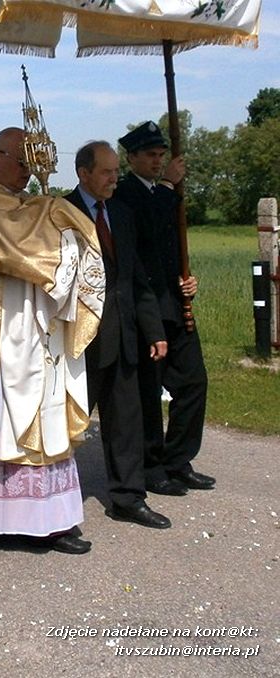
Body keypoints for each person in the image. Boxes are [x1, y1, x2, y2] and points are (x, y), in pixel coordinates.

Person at [0, 127, 103, 554]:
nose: (29, 171)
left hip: (42, 331)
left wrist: (52, 214)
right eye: (21, 162)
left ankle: (49, 521)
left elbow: (48, 235)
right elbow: (18, 245)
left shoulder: (30, 203)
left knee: (47, 412)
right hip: (1, 328)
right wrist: (55, 217)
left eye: (33, 163)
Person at [65, 141, 172, 529]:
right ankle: (54, 507)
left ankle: (128, 498)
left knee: (126, 422)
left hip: (124, 336)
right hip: (77, 342)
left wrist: (153, 329)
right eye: (107, 171)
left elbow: (135, 278)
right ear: (83, 173)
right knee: (67, 425)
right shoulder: (60, 212)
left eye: (115, 171)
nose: (115, 178)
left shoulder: (122, 215)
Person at [114, 121, 214, 494]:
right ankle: (151, 466)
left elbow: (168, 252)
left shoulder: (160, 194)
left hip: (175, 305)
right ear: (133, 158)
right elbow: (148, 232)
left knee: (193, 382)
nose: (158, 162)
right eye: (151, 156)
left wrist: (186, 280)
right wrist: (171, 187)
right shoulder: (125, 195)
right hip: (147, 309)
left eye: (161, 156)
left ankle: (178, 458)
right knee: (148, 393)